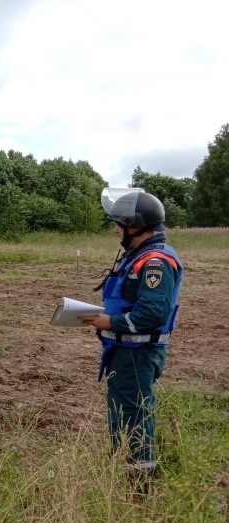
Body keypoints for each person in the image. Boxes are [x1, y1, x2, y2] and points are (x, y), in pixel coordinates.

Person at [78, 188, 183, 491]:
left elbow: (152, 314)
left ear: (135, 226)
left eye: (118, 224)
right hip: (125, 351)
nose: (115, 229)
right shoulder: (138, 256)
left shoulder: (154, 262)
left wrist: (108, 321)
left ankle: (139, 486)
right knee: (126, 412)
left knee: (133, 415)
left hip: (137, 353)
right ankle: (124, 469)